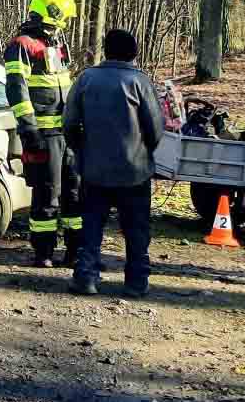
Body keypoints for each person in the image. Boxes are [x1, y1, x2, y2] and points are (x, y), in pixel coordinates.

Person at [61, 28, 166, 297]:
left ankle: (85, 277)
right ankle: (136, 281)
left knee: (92, 227)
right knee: (136, 230)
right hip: (134, 171)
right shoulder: (139, 82)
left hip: (95, 171)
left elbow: (69, 123)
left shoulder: (86, 78)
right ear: (133, 52)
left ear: (106, 50)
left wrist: (82, 152)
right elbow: (155, 128)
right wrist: (144, 152)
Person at [3, 0, 82, 267]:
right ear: (54, 14)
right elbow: (16, 90)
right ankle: (44, 252)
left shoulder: (57, 47)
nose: (66, 25)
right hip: (43, 135)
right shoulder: (22, 45)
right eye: (64, 19)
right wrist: (29, 130)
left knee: (74, 192)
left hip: (68, 134)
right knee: (47, 193)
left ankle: (76, 251)